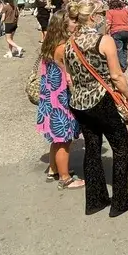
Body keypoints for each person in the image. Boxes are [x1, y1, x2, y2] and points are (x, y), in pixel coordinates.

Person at [62, 0, 128, 217]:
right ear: (93, 17)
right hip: (102, 99)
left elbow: (70, 76)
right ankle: (120, 200)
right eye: (102, 14)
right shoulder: (104, 41)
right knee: (121, 146)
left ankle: (95, 200)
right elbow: (116, 75)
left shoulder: (70, 43)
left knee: (92, 147)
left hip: (79, 101)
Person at [37, 11, 84, 190]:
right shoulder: (63, 47)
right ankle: (65, 178)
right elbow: (72, 73)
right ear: (63, 25)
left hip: (51, 96)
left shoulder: (50, 43)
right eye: (73, 21)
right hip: (61, 98)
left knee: (57, 139)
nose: (76, 23)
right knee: (64, 139)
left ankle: (54, 169)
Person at [104, 0, 128, 72]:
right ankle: (124, 63)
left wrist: (106, 33)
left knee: (119, 49)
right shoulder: (125, 10)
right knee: (125, 47)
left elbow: (108, 24)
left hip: (116, 31)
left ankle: (122, 66)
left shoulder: (110, 12)